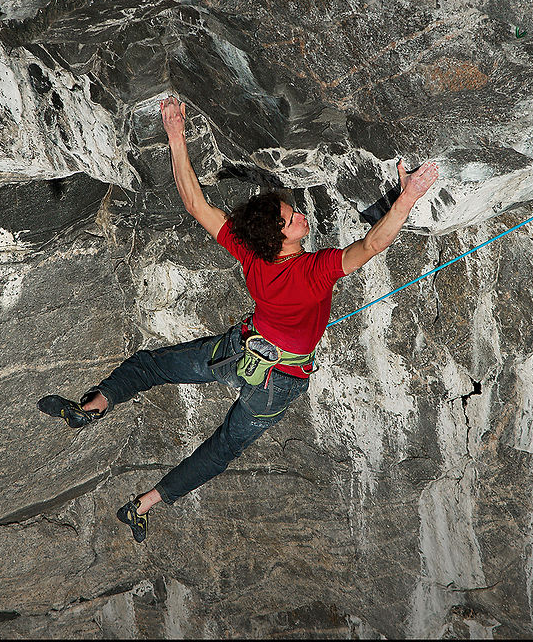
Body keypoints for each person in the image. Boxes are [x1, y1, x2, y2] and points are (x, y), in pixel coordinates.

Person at [38, 95, 439, 543]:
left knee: (150, 366)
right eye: (293, 218)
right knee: (223, 447)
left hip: (240, 352)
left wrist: (175, 134)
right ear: (280, 237)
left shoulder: (253, 255)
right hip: (278, 378)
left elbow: (194, 203)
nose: (301, 215)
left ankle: (92, 406)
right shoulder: (313, 271)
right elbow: (371, 245)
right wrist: (407, 199)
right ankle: (144, 504)